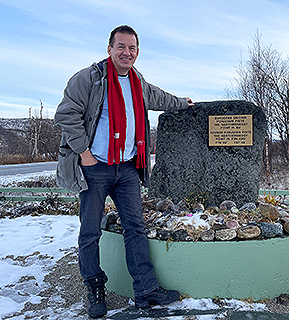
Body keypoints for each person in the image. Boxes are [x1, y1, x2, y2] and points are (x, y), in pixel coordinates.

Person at [54, 25, 193, 318]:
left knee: (136, 228)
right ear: (109, 49)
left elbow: (158, 98)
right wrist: (85, 155)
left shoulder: (136, 81)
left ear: (137, 52)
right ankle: (94, 289)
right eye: (121, 47)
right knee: (90, 233)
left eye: (131, 48)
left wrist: (183, 104)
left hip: (128, 168)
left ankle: (146, 290)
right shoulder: (89, 79)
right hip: (96, 169)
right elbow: (66, 115)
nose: (126, 53)